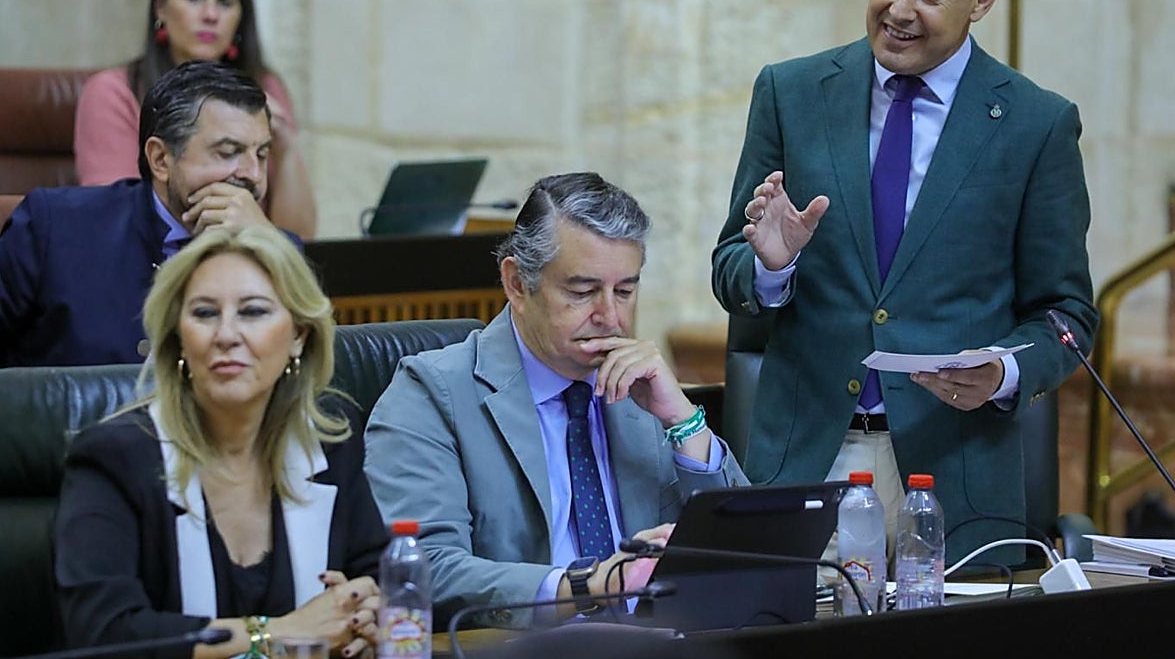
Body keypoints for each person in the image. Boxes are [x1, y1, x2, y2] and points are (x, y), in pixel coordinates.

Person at [711, 0, 1098, 564]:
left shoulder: (1037, 125)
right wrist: (771, 266)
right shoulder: (791, 93)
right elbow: (729, 269)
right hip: (807, 464)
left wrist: (1005, 369)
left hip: (954, 475)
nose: (899, 8)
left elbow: (1066, 316)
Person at [365, 172, 748, 629]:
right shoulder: (432, 394)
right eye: (582, 292)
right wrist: (589, 585)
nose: (610, 317)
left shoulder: (640, 393)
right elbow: (423, 568)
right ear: (517, 284)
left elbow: (750, 553)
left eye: (625, 290)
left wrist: (683, 420)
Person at [54, 226, 388, 658]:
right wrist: (276, 633)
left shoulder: (330, 444)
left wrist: (364, 619)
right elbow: (102, 632)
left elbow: (376, 582)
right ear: (178, 338)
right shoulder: (114, 458)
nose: (226, 335)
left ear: (298, 338)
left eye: (252, 311)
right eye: (205, 313)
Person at [0, 59, 291, 367]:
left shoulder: (279, 251)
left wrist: (266, 247)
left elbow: (314, 370)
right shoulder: (53, 227)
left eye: (261, 155)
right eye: (228, 152)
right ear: (161, 159)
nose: (253, 175)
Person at [74, 0, 316, 238]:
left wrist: (285, 145)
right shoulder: (114, 91)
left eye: (225, 2)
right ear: (160, 6)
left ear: (241, 18)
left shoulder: (264, 87)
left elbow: (301, 241)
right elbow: (113, 220)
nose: (211, 15)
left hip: (252, 270)